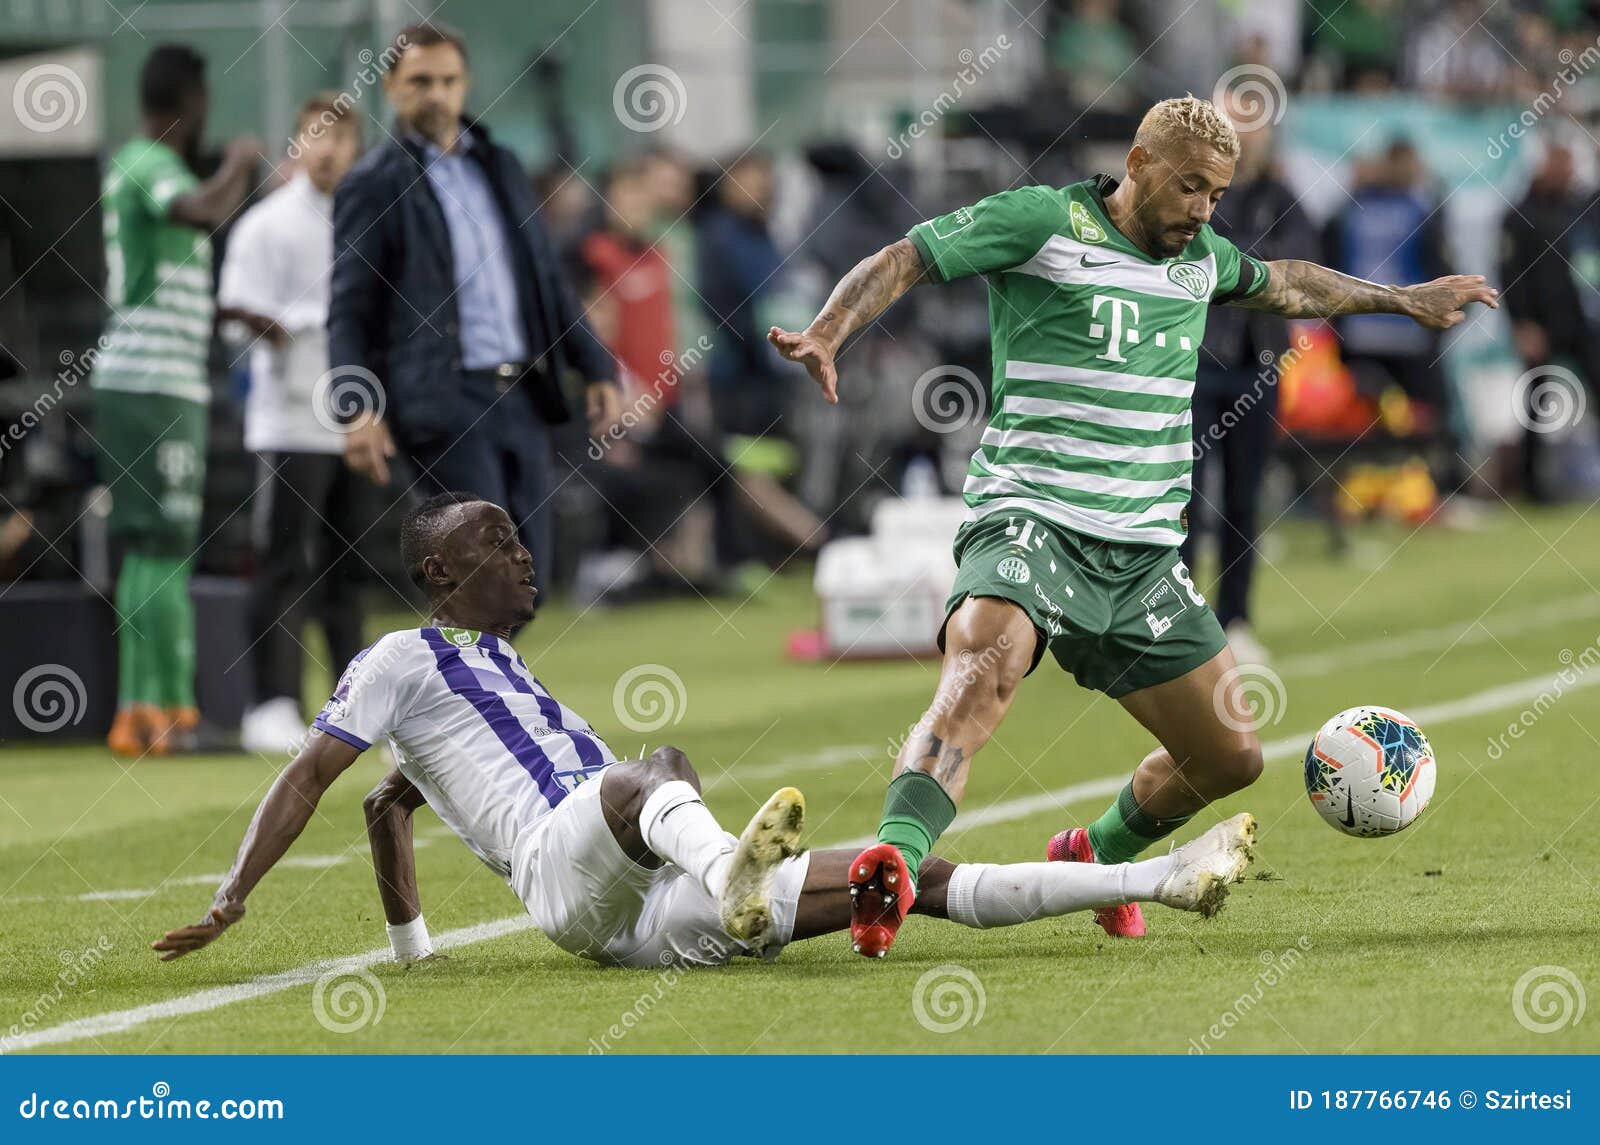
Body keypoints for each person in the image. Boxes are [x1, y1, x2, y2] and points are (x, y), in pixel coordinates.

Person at [768, 95, 1497, 957]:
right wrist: (829, 330)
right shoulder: (1044, 221)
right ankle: (894, 857)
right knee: (987, 659)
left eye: (1218, 195)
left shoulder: (1201, 260)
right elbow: (909, 258)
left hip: (1142, 555)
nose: (1201, 210)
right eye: (1189, 187)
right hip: (1030, 520)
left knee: (1230, 757)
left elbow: (1294, 282)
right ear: (1141, 165)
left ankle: (1093, 856)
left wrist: (1403, 299)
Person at [151, 493, 1258, 968]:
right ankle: (732, 861)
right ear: (440, 573)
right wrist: (232, 893)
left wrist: (410, 949)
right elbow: (313, 773)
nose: (523, 552)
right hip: (569, 864)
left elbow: (385, 803)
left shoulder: (499, 678)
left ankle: (1158, 878)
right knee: (652, 770)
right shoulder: (401, 658)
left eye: (521, 537)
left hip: (639, 914)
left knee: (897, 876)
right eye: (498, 541)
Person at [328, 21, 620, 600]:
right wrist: (355, 406)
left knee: (525, 572)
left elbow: (546, 282)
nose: (435, 93)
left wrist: (597, 366)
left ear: (466, 85)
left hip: (522, 393)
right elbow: (348, 308)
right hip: (442, 400)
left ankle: (483, 687)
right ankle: (471, 691)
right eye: (420, 81)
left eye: (447, 80)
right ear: (390, 87)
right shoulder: (373, 183)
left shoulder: (502, 166)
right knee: (479, 571)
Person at [95, 44, 260, 757]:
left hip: (155, 382)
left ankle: (147, 710)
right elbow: (199, 208)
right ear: (191, 104)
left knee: (151, 549)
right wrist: (241, 163)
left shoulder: (140, 166)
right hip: (151, 383)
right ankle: (169, 712)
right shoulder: (151, 165)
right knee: (164, 547)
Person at [217, 93, 371, 755]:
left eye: (342, 138)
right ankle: (271, 704)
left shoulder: (369, 218)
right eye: (317, 136)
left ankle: (355, 707)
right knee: (284, 564)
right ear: (298, 144)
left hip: (355, 419)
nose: (330, 148)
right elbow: (235, 308)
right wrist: (292, 327)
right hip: (286, 423)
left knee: (349, 567)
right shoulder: (267, 224)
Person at [1180, 86, 1316, 667]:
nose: (1246, 135)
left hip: (1256, 369)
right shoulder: (1199, 195)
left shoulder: (1283, 197)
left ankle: (1235, 618)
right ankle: (1177, 621)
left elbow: (1299, 272)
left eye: (1255, 125)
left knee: (1243, 498)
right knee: (1181, 500)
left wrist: (1244, 271)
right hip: (1192, 364)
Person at [1498, 139, 1600, 502]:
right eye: (1561, 160)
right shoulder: (1520, 213)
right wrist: (1522, 323)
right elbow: (1509, 273)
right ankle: (1531, 486)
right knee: (1537, 404)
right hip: (1540, 323)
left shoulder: (1576, 207)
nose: (1568, 170)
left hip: (1579, 320)